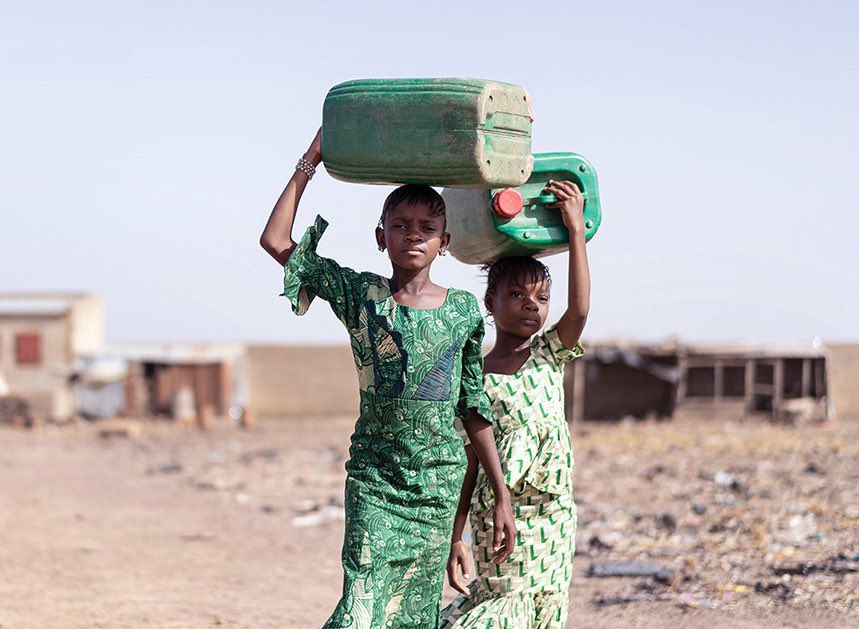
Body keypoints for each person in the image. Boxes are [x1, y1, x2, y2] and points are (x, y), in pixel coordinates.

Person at [260, 128, 517, 628]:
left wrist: (500, 495)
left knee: (410, 618)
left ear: (445, 242)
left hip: (436, 489)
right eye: (400, 225)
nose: (413, 234)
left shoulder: (464, 310)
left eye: (426, 226)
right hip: (375, 481)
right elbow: (275, 241)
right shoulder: (360, 295)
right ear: (382, 237)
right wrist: (309, 161)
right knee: (360, 609)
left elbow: (472, 408)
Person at [440, 180, 590, 628]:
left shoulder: (549, 353)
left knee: (544, 612)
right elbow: (471, 459)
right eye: (517, 295)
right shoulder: (475, 377)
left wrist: (576, 231)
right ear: (490, 302)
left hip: (555, 514)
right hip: (502, 515)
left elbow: (579, 310)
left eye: (542, 298)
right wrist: (457, 533)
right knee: (503, 609)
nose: (532, 306)